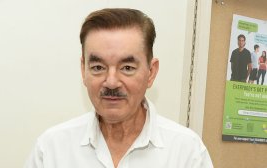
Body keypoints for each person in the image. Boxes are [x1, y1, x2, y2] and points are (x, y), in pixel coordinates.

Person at [25, 8, 213, 168]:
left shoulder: (187, 152)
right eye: (98, 67)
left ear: (151, 72)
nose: (111, 82)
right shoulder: (51, 149)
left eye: (127, 68)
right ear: (83, 70)